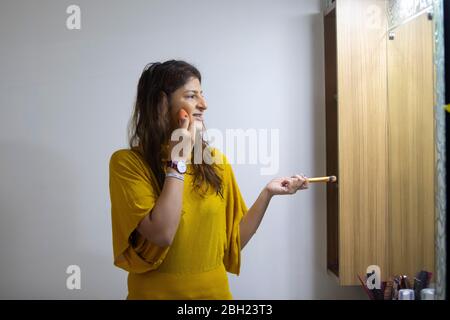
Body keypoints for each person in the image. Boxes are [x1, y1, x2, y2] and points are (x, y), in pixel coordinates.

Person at [109, 60, 309, 299]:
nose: (204, 104)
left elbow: (231, 243)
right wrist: (177, 162)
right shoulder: (127, 163)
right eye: (192, 96)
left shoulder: (215, 161)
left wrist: (267, 193)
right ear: (162, 104)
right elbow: (162, 233)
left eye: (202, 95)